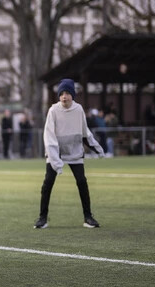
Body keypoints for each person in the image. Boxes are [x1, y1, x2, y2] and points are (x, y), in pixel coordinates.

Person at [35, 79, 104, 229]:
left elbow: (85, 133)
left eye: (67, 93)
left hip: (75, 153)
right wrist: (56, 162)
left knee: (82, 182)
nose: (64, 96)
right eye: (61, 94)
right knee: (48, 183)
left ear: (72, 95)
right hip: (56, 152)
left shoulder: (79, 110)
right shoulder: (53, 111)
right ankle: (42, 218)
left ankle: (88, 217)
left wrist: (97, 148)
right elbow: (49, 137)